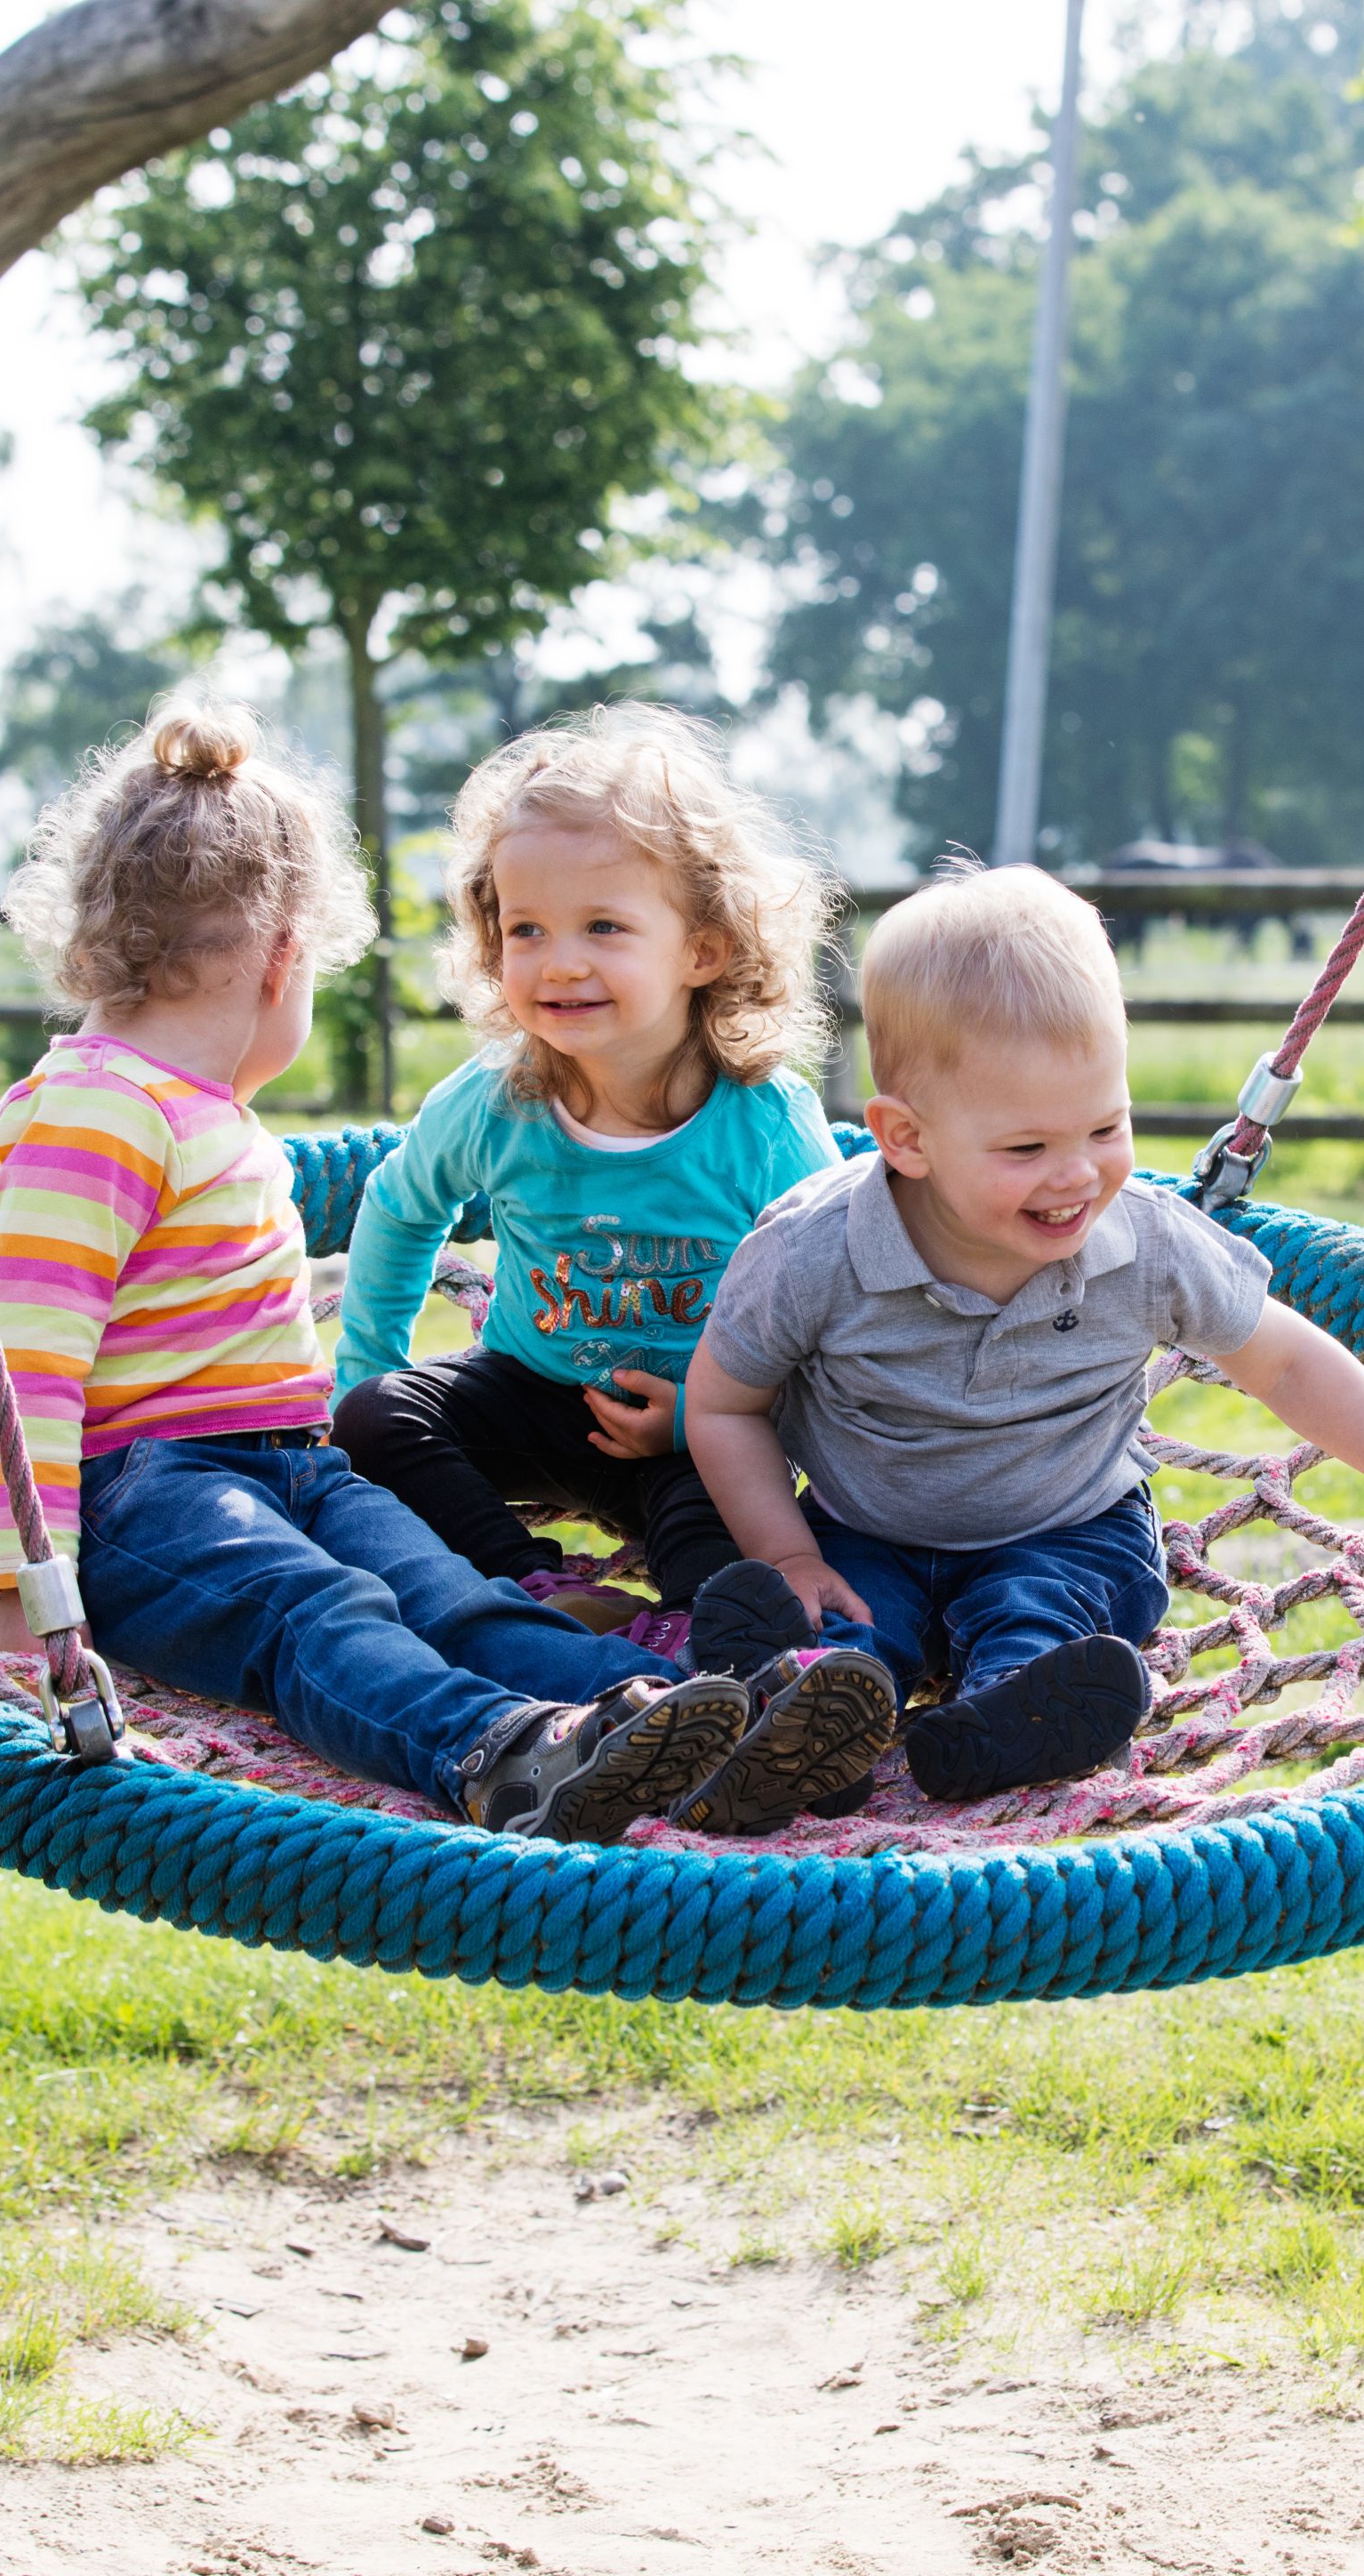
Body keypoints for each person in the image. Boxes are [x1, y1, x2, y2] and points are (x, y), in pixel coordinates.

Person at [0, 698, 758, 1842]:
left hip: (285, 1467)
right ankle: (495, 1752)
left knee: (449, 1595)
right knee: (321, 1613)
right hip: (149, 1498)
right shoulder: (96, 1110)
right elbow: (24, 1371)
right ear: (287, 955)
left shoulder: (201, 1112)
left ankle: (688, 1720)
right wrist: (23, 1586)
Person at [684, 864, 1364, 1806]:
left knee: (1038, 1610)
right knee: (843, 1615)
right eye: (1027, 1148)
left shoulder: (1148, 1243)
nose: (1078, 1175)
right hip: (864, 1524)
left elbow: (1284, 1361)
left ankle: (1011, 1716)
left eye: (1105, 1126)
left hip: (1070, 1528)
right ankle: (807, 1713)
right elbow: (723, 1402)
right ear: (907, 1139)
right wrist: (785, 1551)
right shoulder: (814, 1250)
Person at [325, 707, 890, 1834]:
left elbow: (826, 1288)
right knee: (381, 1420)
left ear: (705, 949)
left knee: (731, 1545)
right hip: (530, 1386)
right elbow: (398, 1209)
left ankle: (734, 1678)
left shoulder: (760, 1119)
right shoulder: (498, 1099)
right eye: (525, 928)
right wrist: (368, 1368)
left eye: (601, 926)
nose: (559, 961)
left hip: (701, 1417)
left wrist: (704, 1414)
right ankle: (530, 1591)